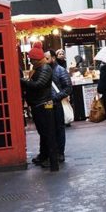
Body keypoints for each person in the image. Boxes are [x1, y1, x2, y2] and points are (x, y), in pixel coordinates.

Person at [20, 42, 59, 171]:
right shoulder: (38, 68)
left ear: (36, 59)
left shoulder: (45, 68)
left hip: (44, 105)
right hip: (38, 104)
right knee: (43, 133)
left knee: (47, 133)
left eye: (31, 59)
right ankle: (44, 156)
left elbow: (39, 84)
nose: (30, 61)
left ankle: (51, 160)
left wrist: (23, 81)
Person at [49, 49, 72, 162]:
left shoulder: (60, 70)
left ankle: (60, 152)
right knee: (49, 128)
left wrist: (56, 97)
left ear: (53, 58)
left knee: (59, 127)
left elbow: (68, 88)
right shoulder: (45, 70)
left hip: (57, 103)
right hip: (47, 104)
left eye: (47, 58)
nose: (45, 60)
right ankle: (51, 152)